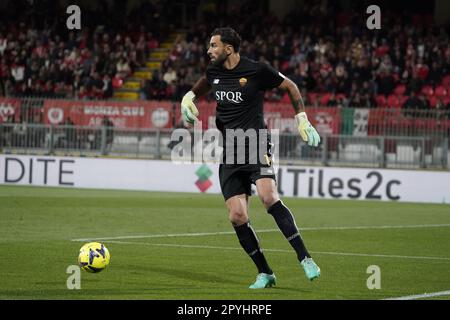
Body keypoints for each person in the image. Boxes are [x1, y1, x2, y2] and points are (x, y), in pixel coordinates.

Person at [180, 27, 321, 289]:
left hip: (256, 144)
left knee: (268, 197)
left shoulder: (257, 70)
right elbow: (203, 84)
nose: (208, 51)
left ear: (229, 49)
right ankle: (265, 273)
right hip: (230, 150)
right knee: (236, 216)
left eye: (213, 46)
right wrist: (189, 96)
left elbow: (290, 86)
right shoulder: (214, 72)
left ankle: (305, 258)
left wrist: (302, 118)